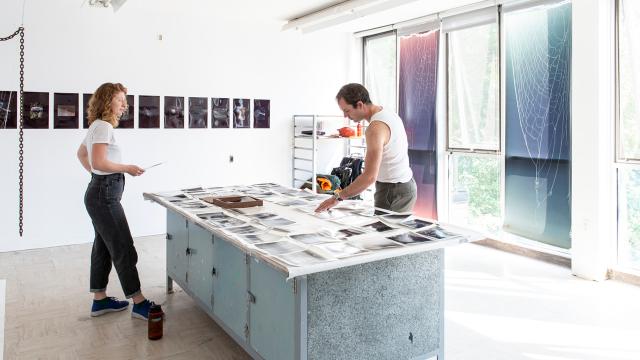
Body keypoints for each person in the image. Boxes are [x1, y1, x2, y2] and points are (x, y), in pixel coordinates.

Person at [77, 82, 156, 320]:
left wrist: (96, 176)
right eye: (120, 100)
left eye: (125, 100)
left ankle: (99, 301)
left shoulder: (96, 126)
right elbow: (99, 162)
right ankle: (139, 302)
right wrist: (126, 168)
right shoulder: (103, 127)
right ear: (107, 101)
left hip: (98, 193)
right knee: (123, 247)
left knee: (102, 247)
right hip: (104, 197)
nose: (124, 105)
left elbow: (82, 154)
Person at [315, 83, 417, 214]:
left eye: (347, 111)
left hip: (393, 190)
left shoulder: (375, 128)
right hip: (404, 185)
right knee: (393, 233)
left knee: (385, 233)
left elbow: (369, 177)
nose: (345, 116)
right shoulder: (387, 112)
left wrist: (337, 198)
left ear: (360, 105)